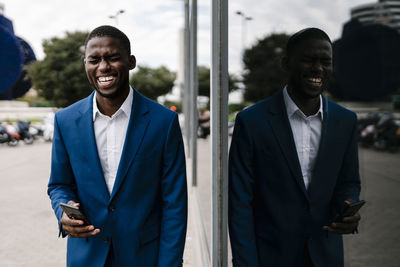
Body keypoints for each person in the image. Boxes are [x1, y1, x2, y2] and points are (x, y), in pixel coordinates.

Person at [48, 25, 187, 267]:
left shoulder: (164, 122)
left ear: (131, 62)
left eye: (112, 58)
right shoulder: (65, 120)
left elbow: (174, 203)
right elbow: (59, 184)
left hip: (143, 258)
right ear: (86, 65)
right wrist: (64, 212)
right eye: (94, 60)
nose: (103, 67)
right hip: (86, 257)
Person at [228, 28, 361, 267]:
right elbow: (240, 204)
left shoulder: (346, 121)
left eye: (325, 62)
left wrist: (349, 207)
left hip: (325, 256)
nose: (318, 69)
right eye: (309, 60)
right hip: (270, 257)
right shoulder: (251, 122)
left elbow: (348, 182)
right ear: (286, 63)